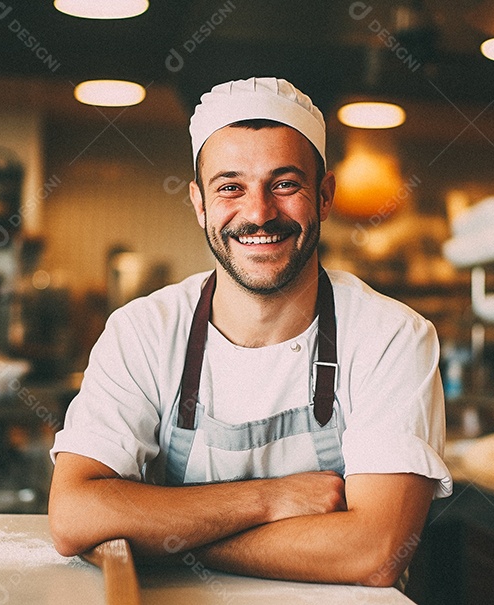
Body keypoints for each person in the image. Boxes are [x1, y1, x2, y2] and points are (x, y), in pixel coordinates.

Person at [48, 77, 451, 587]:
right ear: (199, 203)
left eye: (285, 184)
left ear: (324, 196)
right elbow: (73, 515)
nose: (258, 213)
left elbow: (375, 552)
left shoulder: (392, 337)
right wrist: (272, 498)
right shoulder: (143, 332)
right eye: (230, 187)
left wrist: (162, 540)